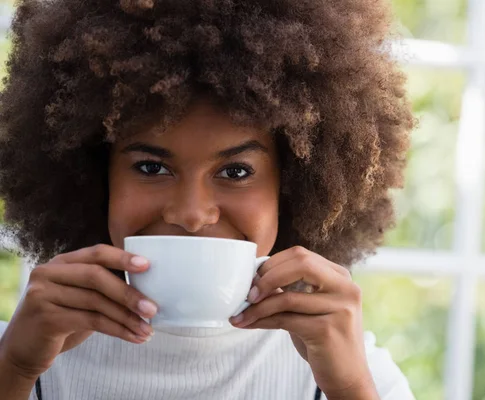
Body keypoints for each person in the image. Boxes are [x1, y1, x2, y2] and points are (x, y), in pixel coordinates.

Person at [0, 0, 415, 398]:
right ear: (94, 177)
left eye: (235, 172)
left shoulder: (349, 370)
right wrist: (15, 370)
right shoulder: (23, 352)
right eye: (150, 168)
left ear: (290, 186)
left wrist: (348, 390)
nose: (191, 215)